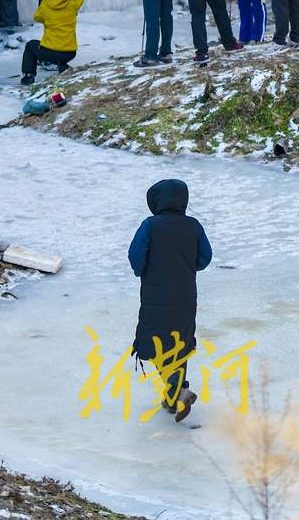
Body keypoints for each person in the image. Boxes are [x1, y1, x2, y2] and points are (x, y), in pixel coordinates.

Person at [128, 178, 212, 423]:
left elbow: (136, 258)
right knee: (180, 342)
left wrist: (147, 269)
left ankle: (178, 392)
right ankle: (173, 394)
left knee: (156, 344)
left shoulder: (150, 226)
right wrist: (186, 267)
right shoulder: (193, 226)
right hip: (186, 296)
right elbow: (204, 258)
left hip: (155, 295)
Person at [21, 0, 85, 85]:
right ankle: (62, 66)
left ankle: (28, 76)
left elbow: (37, 17)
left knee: (31, 45)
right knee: (59, 48)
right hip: (69, 53)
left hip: (50, 52)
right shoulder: (72, 6)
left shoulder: (46, 7)